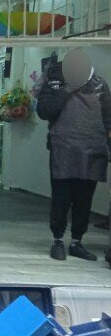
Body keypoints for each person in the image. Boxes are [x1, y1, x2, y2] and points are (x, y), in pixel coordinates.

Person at [36, 48, 111, 261]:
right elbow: (44, 112)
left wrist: (108, 146)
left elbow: (108, 118)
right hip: (63, 150)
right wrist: (67, 90)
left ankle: (77, 242)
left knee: (84, 200)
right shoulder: (53, 82)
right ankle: (58, 241)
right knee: (61, 199)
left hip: (93, 151)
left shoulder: (100, 84)